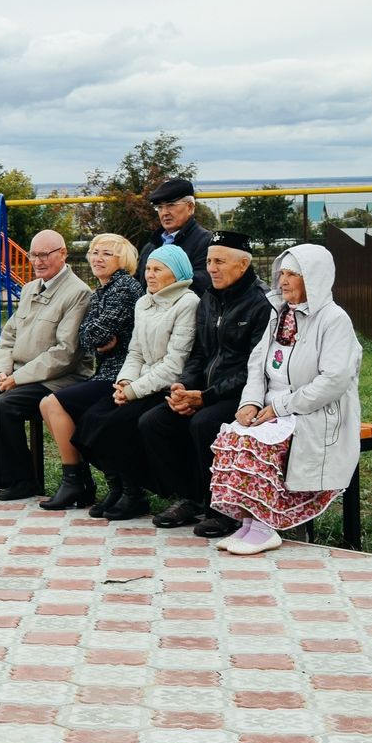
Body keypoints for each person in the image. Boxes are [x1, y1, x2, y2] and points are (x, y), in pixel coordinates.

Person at [209, 244, 360, 555]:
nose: (284, 281)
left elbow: (333, 381)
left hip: (312, 410)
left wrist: (279, 406)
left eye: (293, 274)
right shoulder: (279, 313)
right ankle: (250, 522)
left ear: (314, 279)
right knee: (234, 437)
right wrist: (249, 403)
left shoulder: (334, 319)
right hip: (271, 407)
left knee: (255, 444)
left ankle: (266, 526)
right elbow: (257, 364)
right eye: (282, 274)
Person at [136, 229, 271, 538]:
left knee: (204, 423)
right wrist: (183, 386)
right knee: (153, 422)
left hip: (242, 395)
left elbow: (254, 367)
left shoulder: (261, 305)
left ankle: (222, 509)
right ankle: (191, 497)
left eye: (220, 261)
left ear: (243, 265)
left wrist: (205, 397)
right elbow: (199, 354)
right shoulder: (209, 298)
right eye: (209, 260)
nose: (211, 268)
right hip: (205, 391)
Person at [0, 230, 93, 500]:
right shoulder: (31, 287)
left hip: (59, 378)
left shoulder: (78, 293)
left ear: (63, 254)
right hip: (18, 374)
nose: (38, 261)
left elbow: (65, 353)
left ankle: (23, 480)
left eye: (45, 254)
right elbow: (9, 335)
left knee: (5, 405)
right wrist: (1, 371)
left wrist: (18, 378)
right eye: (34, 254)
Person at [70, 245, 200, 520]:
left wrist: (133, 391)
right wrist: (124, 381)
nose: (150, 275)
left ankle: (134, 494)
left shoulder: (187, 303)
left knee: (117, 424)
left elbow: (174, 365)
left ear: (176, 274)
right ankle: (118, 487)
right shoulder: (144, 302)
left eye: (158, 270)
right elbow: (136, 351)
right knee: (91, 417)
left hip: (165, 387)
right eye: (148, 269)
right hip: (139, 383)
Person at [37, 234, 144, 510]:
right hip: (104, 372)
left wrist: (100, 337)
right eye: (95, 252)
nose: (98, 258)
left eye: (107, 254)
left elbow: (95, 334)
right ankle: (90, 481)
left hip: (122, 374)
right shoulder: (101, 291)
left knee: (54, 402)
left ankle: (90, 483)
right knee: (49, 405)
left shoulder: (125, 288)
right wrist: (99, 337)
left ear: (122, 260)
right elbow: (84, 338)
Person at [138, 178, 211, 297]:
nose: (164, 212)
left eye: (171, 205)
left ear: (190, 207)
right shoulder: (150, 247)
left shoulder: (206, 243)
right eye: (160, 207)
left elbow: (202, 285)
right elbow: (139, 286)